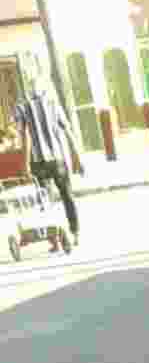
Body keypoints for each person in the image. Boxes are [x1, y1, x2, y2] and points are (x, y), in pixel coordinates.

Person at [16, 82, 84, 247]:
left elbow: (24, 136)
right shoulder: (53, 104)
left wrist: (24, 165)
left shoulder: (22, 107)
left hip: (38, 163)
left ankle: (54, 239)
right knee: (67, 196)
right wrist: (77, 158)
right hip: (57, 159)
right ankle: (75, 233)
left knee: (45, 201)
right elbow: (67, 130)